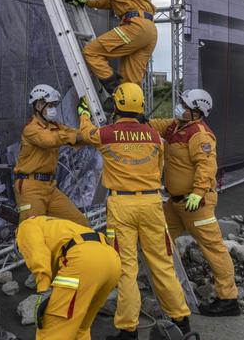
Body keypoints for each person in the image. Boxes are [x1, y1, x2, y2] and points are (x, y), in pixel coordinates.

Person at [77, 83, 193, 339]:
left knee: (126, 268)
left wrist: (84, 113)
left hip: (121, 206)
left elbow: (86, 134)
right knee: (162, 264)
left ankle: (128, 330)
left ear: (117, 105)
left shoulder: (106, 134)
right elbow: (158, 165)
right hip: (152, 204)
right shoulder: (154, 136)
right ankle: (181, 320)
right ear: (140, 106)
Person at [148, 89, 239, 317]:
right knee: (158, 237)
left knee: (213, 248)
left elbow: (206, 166)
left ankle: (228, 299)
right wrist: (134, 120)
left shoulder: (200, 134)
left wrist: (198, 193)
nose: (179, 106)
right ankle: (165, 288)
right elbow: (154, 125)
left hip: (196, 203)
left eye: (184, 105)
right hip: (176, 203)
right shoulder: (176, 125)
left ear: (196, 112)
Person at [53, 0, 157, 108]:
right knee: (131, 84)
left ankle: (117, 96)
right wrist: (86, 1)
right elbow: (114, 1)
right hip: (149, 30)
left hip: (134, 26)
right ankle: (134, 120)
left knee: (92, 52)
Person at [16, 215, 121, 339]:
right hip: (112, 261)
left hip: (83, 261)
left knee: (54, 328)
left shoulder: (25, 227)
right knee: (81, 328)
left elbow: (37, 255)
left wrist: (44, 289)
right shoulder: (56, 225)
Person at [15, 84, 89, 227]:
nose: (53, 109)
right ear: (38, 105)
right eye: (50, 105)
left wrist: (92, 134)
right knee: (33, 232)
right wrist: (73, 136)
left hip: (49, 187)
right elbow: (49, 140)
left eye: (54, 105)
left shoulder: (54, 126)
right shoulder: (31, 129)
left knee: (80, 223)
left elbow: (74, 135)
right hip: (31, 188)